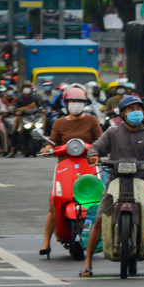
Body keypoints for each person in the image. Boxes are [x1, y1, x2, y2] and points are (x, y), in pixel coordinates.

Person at [81, 95, 144, 277]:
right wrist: (93, 155)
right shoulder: (112, 132)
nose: (135, 113)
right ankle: (87, 264)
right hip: (115, 180)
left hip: (142, 181)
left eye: (138, 109)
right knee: (100, 219)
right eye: (131, 109)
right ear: (123, 113)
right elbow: (96, 147)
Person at [38, 86, 103, 258]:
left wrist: (103, 151)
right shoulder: (59, 122)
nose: (76, 105)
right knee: (54, 200)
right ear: (66, 104)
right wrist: (47, 147)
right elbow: (51, 141)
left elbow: (101, 140)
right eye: (72, 102)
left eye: (79, 102)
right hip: (65, 166)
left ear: (85, 103)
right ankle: (46, 242)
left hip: (88, 165)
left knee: (102, 199)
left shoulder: (91, 120)